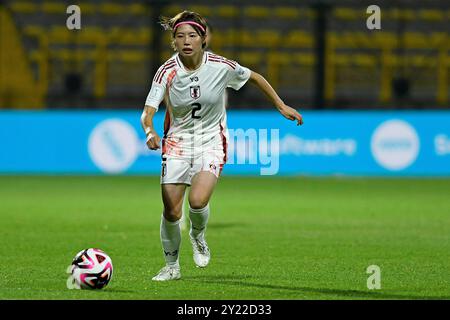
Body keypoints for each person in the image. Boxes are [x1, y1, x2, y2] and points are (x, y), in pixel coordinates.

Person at [141, 10, 303, 281]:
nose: (186, 41)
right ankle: (171, 266)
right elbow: (147, 111)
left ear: (203, 39)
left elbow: (255, 77)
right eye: (180, 36)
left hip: (211, 141)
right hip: (177, 143)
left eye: (192, 35)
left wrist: (280, 104)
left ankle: (197, 234)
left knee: (197, 200)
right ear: (174, 41)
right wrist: (149, 132)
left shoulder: (220, 65)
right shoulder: (167, 71)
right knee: (171, 210)